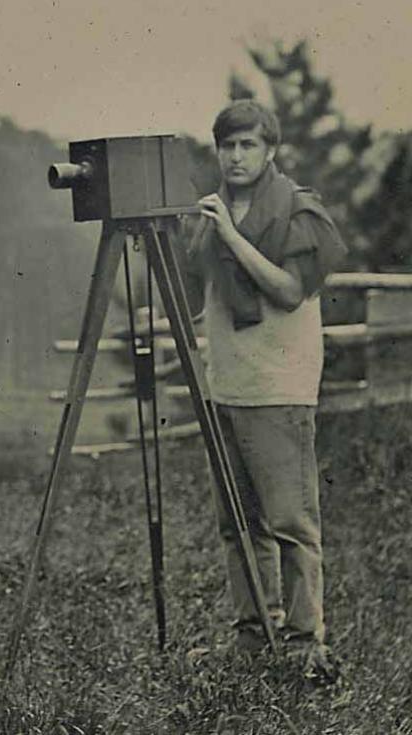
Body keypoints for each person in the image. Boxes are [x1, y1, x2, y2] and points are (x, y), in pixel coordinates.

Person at [186, 99, 347, 680]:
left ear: (270, 150)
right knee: (238, 523)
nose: (235, 156)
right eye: (227, 145)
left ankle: (306, 643)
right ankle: (253, 634)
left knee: (291, 523)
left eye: (248, 145)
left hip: (278, 387)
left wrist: (229, 234)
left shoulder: (298, 213)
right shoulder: (211, 212)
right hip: (227, 384)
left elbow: (285, 290)